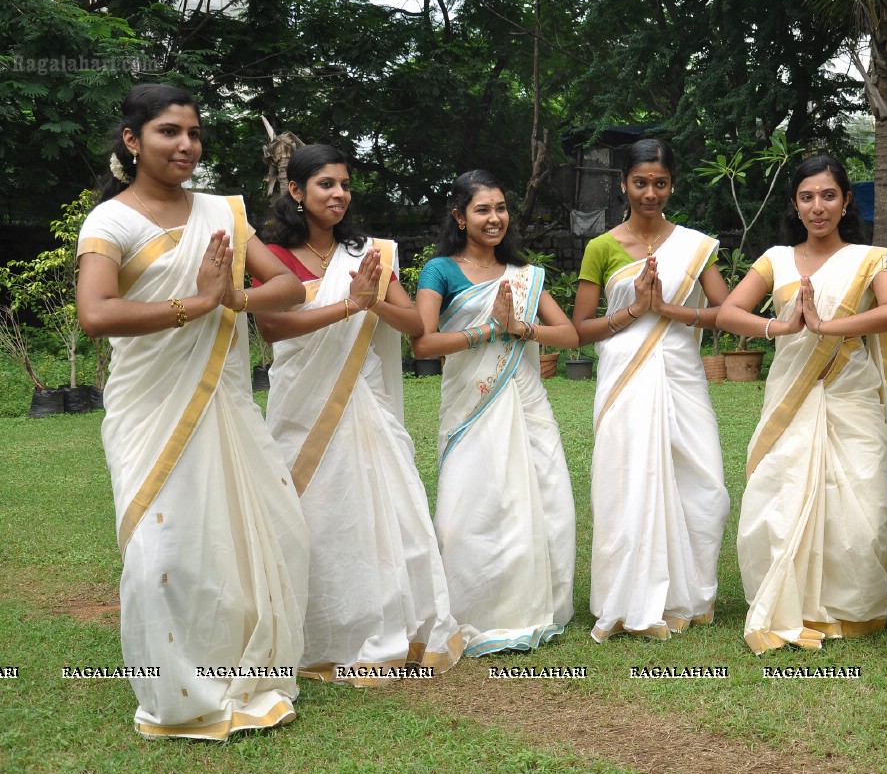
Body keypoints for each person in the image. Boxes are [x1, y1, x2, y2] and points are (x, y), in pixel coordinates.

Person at [75, 84, 310, 738]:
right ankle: (175, 695)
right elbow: (95, 313)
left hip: (224, 406)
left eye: (194, 133)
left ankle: (245, 678)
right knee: (158, 553)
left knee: (240, 539)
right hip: (148, 406)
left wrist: (231, 294)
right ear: (132, 140)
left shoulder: (221, 213)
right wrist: (199, 305)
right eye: (168, 132)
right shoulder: (111, 222)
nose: (185, 145)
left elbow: (288, 285)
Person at [255, 144, 463, 683]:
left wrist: (371, 299)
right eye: (326, 184)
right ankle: (314, 633)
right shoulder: (270, 252)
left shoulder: (370, 253)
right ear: (296, 192)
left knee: (382, 507)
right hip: (301, 399)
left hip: (363, 401)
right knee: (308, 513)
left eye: (345, 184)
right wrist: (348, 303)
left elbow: (416, 326)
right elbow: (272, 328)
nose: (339, 194)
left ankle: (382, 625)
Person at [716, 155, 887, 654]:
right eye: (807, 197)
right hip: (792, 397)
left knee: (862, 510)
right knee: (780, 499)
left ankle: (854, 609)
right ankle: (791, 600)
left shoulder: (872, 259)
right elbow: (727, 312)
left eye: (829, 195)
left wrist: (827, 326)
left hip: (853, 399)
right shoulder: (776, 259)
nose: (818, 206)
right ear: (795, 204)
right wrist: (781, 327)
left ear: (846, 201)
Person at [413, 170, 578, 657]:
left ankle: (537, 605)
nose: (495, 218)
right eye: (482, 210)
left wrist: (521, 329)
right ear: (459, 217)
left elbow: (567, 335)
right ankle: (475, 608)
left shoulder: (524, 274)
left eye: (501, 208)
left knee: (544, 498)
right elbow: (422, 341)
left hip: (525, 398)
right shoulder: (439, 270)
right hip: (472, 401)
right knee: (473, 507)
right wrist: (489, 331)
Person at [572, 138, 731, 643]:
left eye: (659, 183)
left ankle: (687, 595)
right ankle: (627, 597)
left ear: (672, 186)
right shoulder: (601, 247)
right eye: (640, 182)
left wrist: (669, 311)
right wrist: (635, 312)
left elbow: (726, 313)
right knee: (627, 481)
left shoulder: (695, 245)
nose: (650, 192)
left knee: (704, 484)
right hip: (625, 379)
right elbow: (580, 328)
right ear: (624, 184)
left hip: (682, 375)